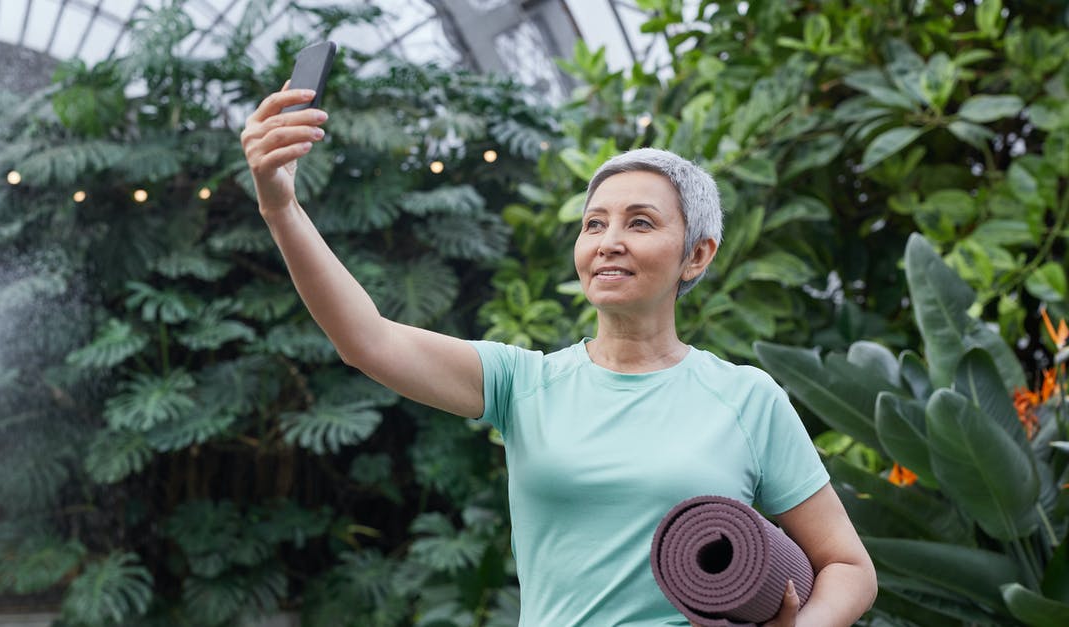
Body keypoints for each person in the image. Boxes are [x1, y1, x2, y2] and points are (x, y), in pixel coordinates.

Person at [241, 86, 877, 626]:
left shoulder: (745, 396)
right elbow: (368, 340)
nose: (608, 242)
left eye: (640, 223)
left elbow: (848, 567)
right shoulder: (526, 384)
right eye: (594, 224)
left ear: (698, 255)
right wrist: (281, 206)